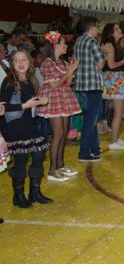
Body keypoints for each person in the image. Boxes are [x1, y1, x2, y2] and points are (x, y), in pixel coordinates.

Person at [1, 50, 51, 207]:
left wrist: (39, 101)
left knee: (38, 154)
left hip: (28, 124)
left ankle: (34, 192)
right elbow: (3, 107)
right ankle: (18, 195)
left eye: (23, 60)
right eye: (16, 60)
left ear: (29, 62)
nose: (20, 63)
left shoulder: (30, 81)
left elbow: (30, 102)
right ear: (12, 63)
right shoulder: (8, 82)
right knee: (21, 159)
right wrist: (26, 105)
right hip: (13, 127)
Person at [36, 32, 81, 182]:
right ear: (55, 45)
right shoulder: (47, 62)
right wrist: (68, 72)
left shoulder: (62, 62)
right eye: (63, 42)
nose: (66, 45)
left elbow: (67, 84)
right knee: (58, 133)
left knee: (65, 132)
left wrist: (71, 70)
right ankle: (52, 169)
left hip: (64, 97)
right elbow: (53, 84)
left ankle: (60, 165)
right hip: (53, 98)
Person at [101, 24, 124, 150]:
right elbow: (111, 65)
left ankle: (116, 138)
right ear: (111, 33)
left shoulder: (116, 45)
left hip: (118, 78)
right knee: (118, 112)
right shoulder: (109, 45)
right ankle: (113, 141)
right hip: (114, 79)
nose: (120, 30)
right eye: (116, 29)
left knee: (120, 111)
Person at [73, 17, 105, 162]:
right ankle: (84, 153)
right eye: (97, 27)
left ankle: (95, 149)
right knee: (90, 122)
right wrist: (105, 53)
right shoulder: (92, 42)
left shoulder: (78, 41)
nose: (98, 30)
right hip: (92, 86)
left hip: (81, 86)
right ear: (92, 28)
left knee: (90, 120)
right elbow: (101, 65)